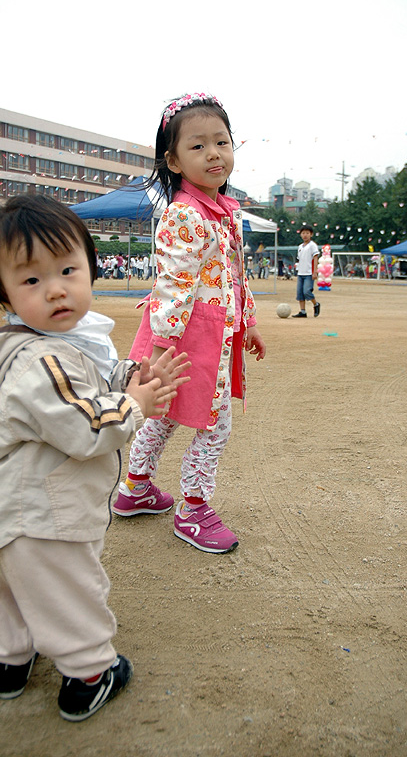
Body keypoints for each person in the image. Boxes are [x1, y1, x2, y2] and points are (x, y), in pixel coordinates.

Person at [0, 194, 190, 721]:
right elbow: (85, 424)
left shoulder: (52, 343)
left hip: (6, 510)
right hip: (46, 514)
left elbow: (88, 381)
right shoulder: (39, 359)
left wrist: (129, 379)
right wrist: (135, 405)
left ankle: (8, 660)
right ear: (4, 292)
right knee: (70, 591)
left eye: (68, 269)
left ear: (90, 267)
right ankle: (90, 673)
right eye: (31, 280)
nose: (57, 288)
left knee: (11, 590)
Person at [113, 93, 266, 554]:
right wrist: (160, 351)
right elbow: (172, 287)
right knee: (210, 423)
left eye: (221, 141)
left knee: (167, 414)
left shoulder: (226, 211)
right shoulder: (185, 213)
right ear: (173, 161)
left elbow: (236, 272)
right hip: (185, 339)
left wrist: (251, 321)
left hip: (215, 333)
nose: (214, 153)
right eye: (197, 146)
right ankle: (193, 509)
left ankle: (135, 488)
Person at [292, 224, 320, 318]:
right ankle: (303, 311)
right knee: (300, 293)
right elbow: (299, 259)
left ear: (311, 234)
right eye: (303, 233)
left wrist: (315, 271)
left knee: (307, 291)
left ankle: (316, 304)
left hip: (309, 273)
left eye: (307, 233)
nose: (305, 235)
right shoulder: (300, 247)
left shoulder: (313, 245)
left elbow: (315, 258)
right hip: (301, 273)